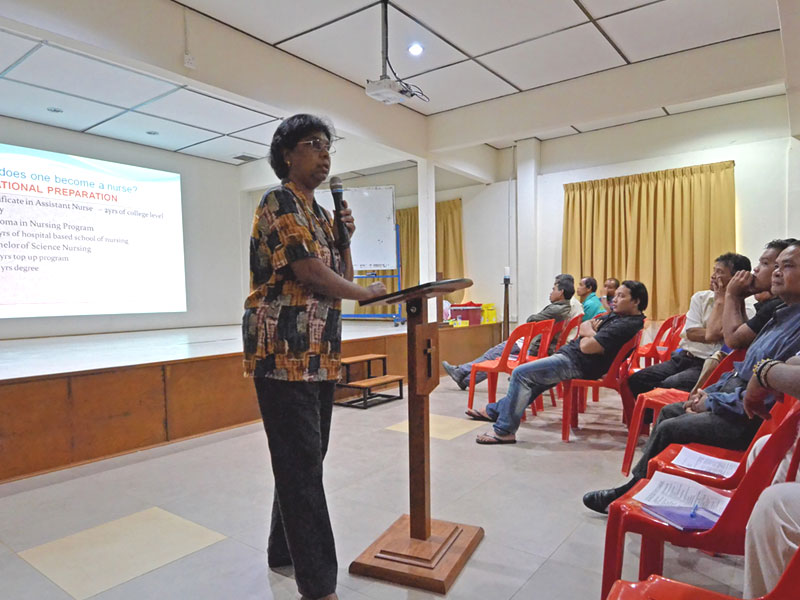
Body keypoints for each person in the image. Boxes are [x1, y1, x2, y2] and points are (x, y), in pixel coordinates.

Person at [242, 114, 386, 600]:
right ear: (287, 153)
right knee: (302, 465)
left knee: (306, 458)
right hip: (282, 353)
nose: (325, 155)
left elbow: (338, 269)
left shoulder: (321, 213)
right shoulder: (278, 200)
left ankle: (281, 550)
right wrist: (367, 295)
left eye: (328, 146)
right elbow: (310, 273)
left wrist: (345, 236)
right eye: (314, 144)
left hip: (319, 353)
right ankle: (320, 587)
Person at [583, 243, 800, 515]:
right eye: (775, 265)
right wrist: (710, 393)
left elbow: (724, 346)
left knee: (670, 424)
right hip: (725, 393)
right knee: (668, 410)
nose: (774, 272)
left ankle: (633, 494)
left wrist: (712, 402)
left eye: (786, 266)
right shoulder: (778, 313)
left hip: (747, 419)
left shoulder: (789, 323)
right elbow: (739, 366)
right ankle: (642, 486)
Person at [466, 280, 647, 444]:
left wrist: (590, 333)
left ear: (636, 301)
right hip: (573, 357)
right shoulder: (618, 316)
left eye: (621, 296)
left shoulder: (627, 324)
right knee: (533, 382)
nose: (614, 299)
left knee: (520, 373)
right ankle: (495, 410)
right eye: (615, 295)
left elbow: (587, 345)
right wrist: (590, 332)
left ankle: (504, 430)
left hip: (577, 363)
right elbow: (588, 325)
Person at [624, 253, 753, 401]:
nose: (713, 276)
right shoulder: (700, 297)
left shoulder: (746, 307)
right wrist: (714, 332)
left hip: (707, 365)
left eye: (720, 273)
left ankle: (665, 419)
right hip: (683, 357)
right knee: (638, 379)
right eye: (714, 270)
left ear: (737, 278)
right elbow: (692, 332)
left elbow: (717, 335)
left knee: (668, 385)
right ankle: (647, 421)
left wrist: (720, 301)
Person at [443, 278, 575, 389]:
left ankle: (460, 371)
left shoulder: (557, 309)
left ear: (561, 292)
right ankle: (465, 380)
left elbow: (531, 319)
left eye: (553, 289)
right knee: (493, 356)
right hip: (536, 344)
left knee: (492, 354)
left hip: (529, 346)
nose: (551, 292)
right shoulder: (564, 307)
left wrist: (533, 318)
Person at [741, 353, 800, 598]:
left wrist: (764, 372)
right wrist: (766, 371)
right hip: (737, 392)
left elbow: (728, 339)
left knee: (776, 504)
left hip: (742, 406)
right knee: (765, 448)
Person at [720, 239, 797, 349]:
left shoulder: (777, 306)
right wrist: (739, 298)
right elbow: (747, 339)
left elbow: (734, 340)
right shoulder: (774, 304)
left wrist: (732, 295)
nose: (756, 269)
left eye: (765, 263)